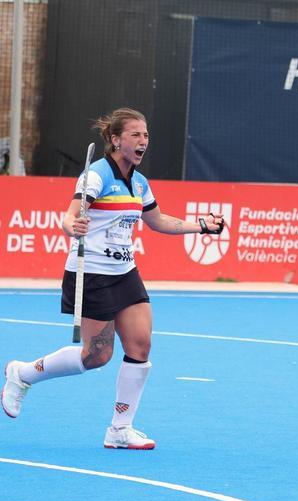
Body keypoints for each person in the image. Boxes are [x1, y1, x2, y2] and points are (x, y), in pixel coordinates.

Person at [2, 108, 227, 448]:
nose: (143, 141)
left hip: (125, 272)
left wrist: (201, 226)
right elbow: (70, 215)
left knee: (140, 344)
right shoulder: (96, 176)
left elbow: (158, 221)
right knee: (96, 356)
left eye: (146, 135)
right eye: (136, 134)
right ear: (116, 139)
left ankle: (120, 430)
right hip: (91, 273)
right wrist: (71, 227)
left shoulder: (139, 182)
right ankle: (23, 373)